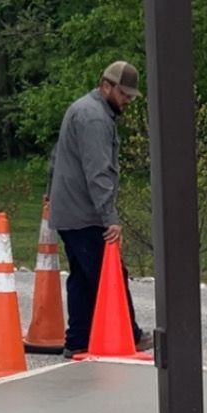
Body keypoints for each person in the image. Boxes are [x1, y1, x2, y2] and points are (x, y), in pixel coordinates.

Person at [47, 61, 153, 358]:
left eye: (131, 95)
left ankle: (78, 340)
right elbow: (99, 173)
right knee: (111, 274)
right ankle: (128, 336)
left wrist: (49, 195)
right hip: (85, 213)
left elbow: (57, 156)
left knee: (81, 277)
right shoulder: (95, 119)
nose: (128, 100)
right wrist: (110, 218)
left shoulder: (82, 109)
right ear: (106, 85)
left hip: (69, 210)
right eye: (124, 94)